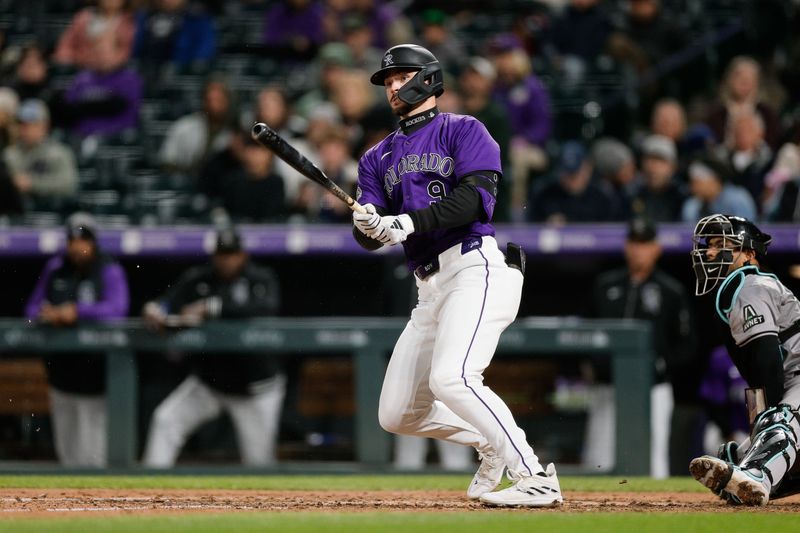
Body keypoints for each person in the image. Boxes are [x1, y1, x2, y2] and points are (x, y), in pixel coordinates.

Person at [351, 43, 562, 507]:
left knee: (454, 378)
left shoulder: (465, 130)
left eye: (400, 78)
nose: (393, 87)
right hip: (428, 288)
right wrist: (368, 226)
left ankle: (533, 474)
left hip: (475, 268)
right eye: (387, 81)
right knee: (397, 413)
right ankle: (490, 443)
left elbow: (474, 201)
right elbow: (371, 233)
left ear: (427, 79)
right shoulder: (375, 158)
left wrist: (405, 222)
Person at [142, 227, 285, 467]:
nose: (226, 260)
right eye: (222, 254)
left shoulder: (260, 278)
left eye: (232, 254)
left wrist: (212, 307)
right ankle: (148, 488)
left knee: (260, 463)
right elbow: (169, 301)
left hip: (256, 388)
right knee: (166, 420)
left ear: (243, 255)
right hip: (211, 383)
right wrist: (156, 309)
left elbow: (267, 307)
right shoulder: (200, 277)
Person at [688, 214, 800, 506]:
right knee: (757, 443)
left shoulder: (750, 284)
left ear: (750, 253)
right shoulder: (743, 288)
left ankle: (756, 476)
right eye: (709, 245)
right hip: (794, 380)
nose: (710, 252)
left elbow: (767, 360)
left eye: (721, 244)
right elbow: (759, 371)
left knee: (777, 426)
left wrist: (766, 419)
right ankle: (745, 467)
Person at [586, 218, 697, 478]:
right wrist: (594, 364)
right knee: (599, 455)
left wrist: (661, 364)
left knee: (653, 454)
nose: (639, 250)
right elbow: (586, 331)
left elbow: (688, 342)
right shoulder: (605, 285)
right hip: (608, 386)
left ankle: (655, 508)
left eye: (645, 244)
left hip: (653, 388)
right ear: (626, 247)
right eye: (635, 244)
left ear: (656, 248)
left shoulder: (670, 290)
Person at [24, 212, 130, 467]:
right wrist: (47, 315)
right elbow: (30, 309)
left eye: (83, 240)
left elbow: (117, 309)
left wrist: (77, 312)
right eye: (73, 240)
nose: (77, 246)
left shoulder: (108, 268)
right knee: (67, 456)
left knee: (93, 458)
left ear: (93, 242)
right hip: (61, 377)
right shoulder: (56, 268)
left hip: (95, 378)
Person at [3, 99, 78, 211]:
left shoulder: (59, 152)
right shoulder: (9, 153)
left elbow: (68, 185)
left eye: (32, 124)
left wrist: (32, 183)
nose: (26, 129)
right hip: (16, 213)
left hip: (53, 212)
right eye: (22, 124)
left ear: (45, 125)